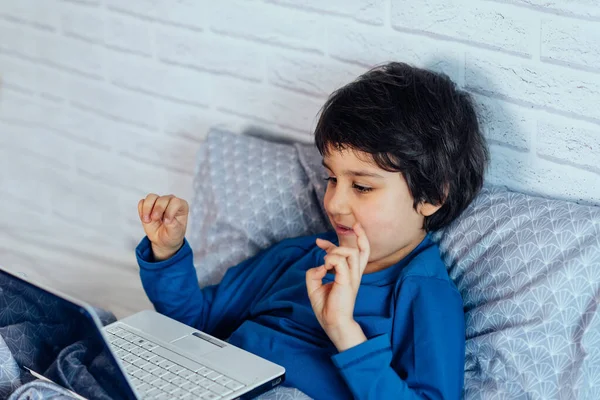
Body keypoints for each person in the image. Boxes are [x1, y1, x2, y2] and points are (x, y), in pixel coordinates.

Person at [135, 62, 489, 399]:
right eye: (332, 178)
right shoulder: (298, 257)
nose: (334, 202)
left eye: (362, 187)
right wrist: (167, 253)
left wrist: (343, 329)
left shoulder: (424, 294)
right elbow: (194, 325)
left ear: (432, 196)